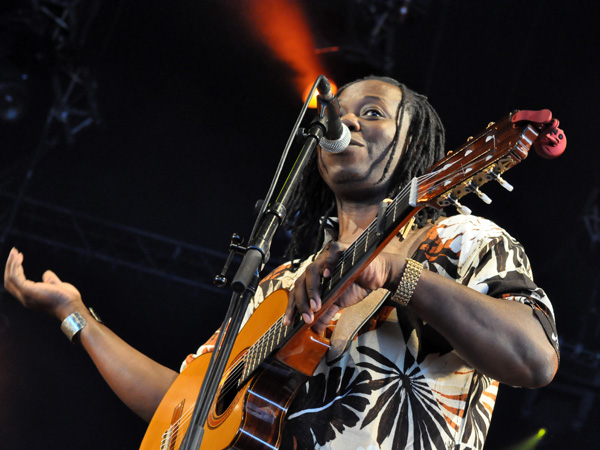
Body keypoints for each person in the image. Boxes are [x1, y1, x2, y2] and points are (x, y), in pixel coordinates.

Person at [4, 76, 559, 449]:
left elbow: (533, 359)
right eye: (338, 116)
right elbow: (183, 407)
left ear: (416, 145)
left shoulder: (458, 238)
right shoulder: (281, 282)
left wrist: (399, 273)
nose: (348, 123)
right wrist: (74, 316)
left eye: (373, 113)